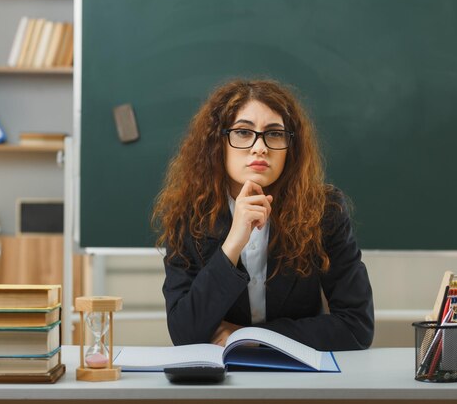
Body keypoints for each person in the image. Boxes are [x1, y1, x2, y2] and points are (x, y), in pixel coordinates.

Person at [152, 79, 374, 351]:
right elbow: (185, 333)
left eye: (275, 133)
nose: (260, 147)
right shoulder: (187, 215)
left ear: (290, 147)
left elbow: (356, 327)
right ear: (217, 143)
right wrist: (233, 242)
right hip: (222, 382)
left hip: (301, 380)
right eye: (243, 132)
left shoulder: (325, 210)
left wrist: (252, 337)